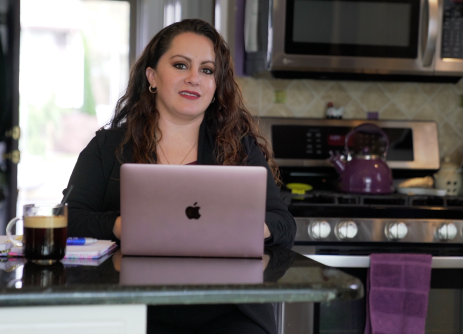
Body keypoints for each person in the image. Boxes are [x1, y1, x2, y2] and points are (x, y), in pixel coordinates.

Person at [63, 19, 296, 334]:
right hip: (128, 306)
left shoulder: (241, 149)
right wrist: (122, 225)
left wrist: (246, 228)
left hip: (229, 309)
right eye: (180, 65)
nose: (194, 79)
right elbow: (68, 221)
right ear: (152, 77)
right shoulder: (107, 148)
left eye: (207, 70)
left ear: (216, 87)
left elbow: (284, 223)